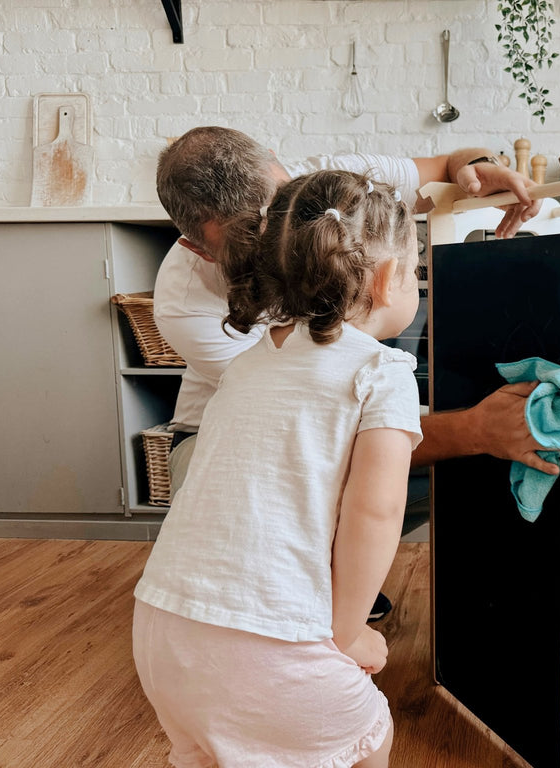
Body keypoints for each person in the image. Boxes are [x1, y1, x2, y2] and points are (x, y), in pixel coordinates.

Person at [153, 127, 559, 620]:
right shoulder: (185, 304)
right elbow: (311, 433)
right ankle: (283, 583)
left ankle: (322, 575)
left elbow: (449, 162)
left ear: (288, 173)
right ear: (197, 249)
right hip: (231, 435)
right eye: (244, 240)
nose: (275, 249)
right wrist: (476, 429)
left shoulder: (328, 186)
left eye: (278, 216)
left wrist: (476, 165)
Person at [133, 169, 422, 768]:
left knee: (214, 751)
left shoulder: (244, 366)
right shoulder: (382, 371)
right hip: (269, 650)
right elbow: (375, 511)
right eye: (416, 270)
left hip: (162, 631)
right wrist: (348, 633)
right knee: (369, 731)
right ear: (391, 278)